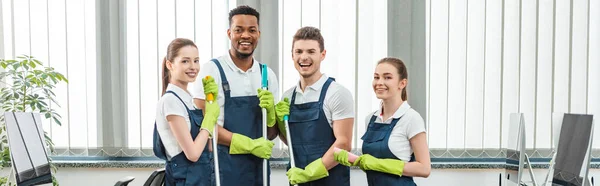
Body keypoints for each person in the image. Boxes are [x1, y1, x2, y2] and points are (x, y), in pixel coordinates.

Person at [190, 5, 280, 186]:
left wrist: (271, 115)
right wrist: (248, 145)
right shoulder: (212, 70)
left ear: (259, 34)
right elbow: (202, 126)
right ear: (229, 33)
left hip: (259, 169)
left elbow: (270, 135)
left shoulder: (266, 75)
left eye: (251, 30)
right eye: (239, 30)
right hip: (223, 167)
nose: (245, 35)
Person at [275, 26, 354, 186]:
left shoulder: (337, 93)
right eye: (299, 52)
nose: (304, 57)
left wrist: (310, 173)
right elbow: (291, 140)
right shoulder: (288, 97)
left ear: (322, 55)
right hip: (298, 181)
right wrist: (277, 122)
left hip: (331, 181)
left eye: (311, 52)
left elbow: (344, 143)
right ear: (292, 55)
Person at [334, 57, 431, 186]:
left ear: (402, 83)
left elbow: (424, 169)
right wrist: (355, 160)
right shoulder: (371, 119)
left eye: (387, 77)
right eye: (376, 77)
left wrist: (377, 164)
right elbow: (369, 162)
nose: (379, 82)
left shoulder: (411, 118)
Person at [153, 38, 220, 186]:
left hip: (203, 177)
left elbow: (209, 146)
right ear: (170, 65)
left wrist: (211, 105)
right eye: (185, 61)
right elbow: (193, 154)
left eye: (196, 61)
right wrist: (208, 120)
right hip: (185, 180)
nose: (193, 67)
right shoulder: (170, 101)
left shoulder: (189, 100)